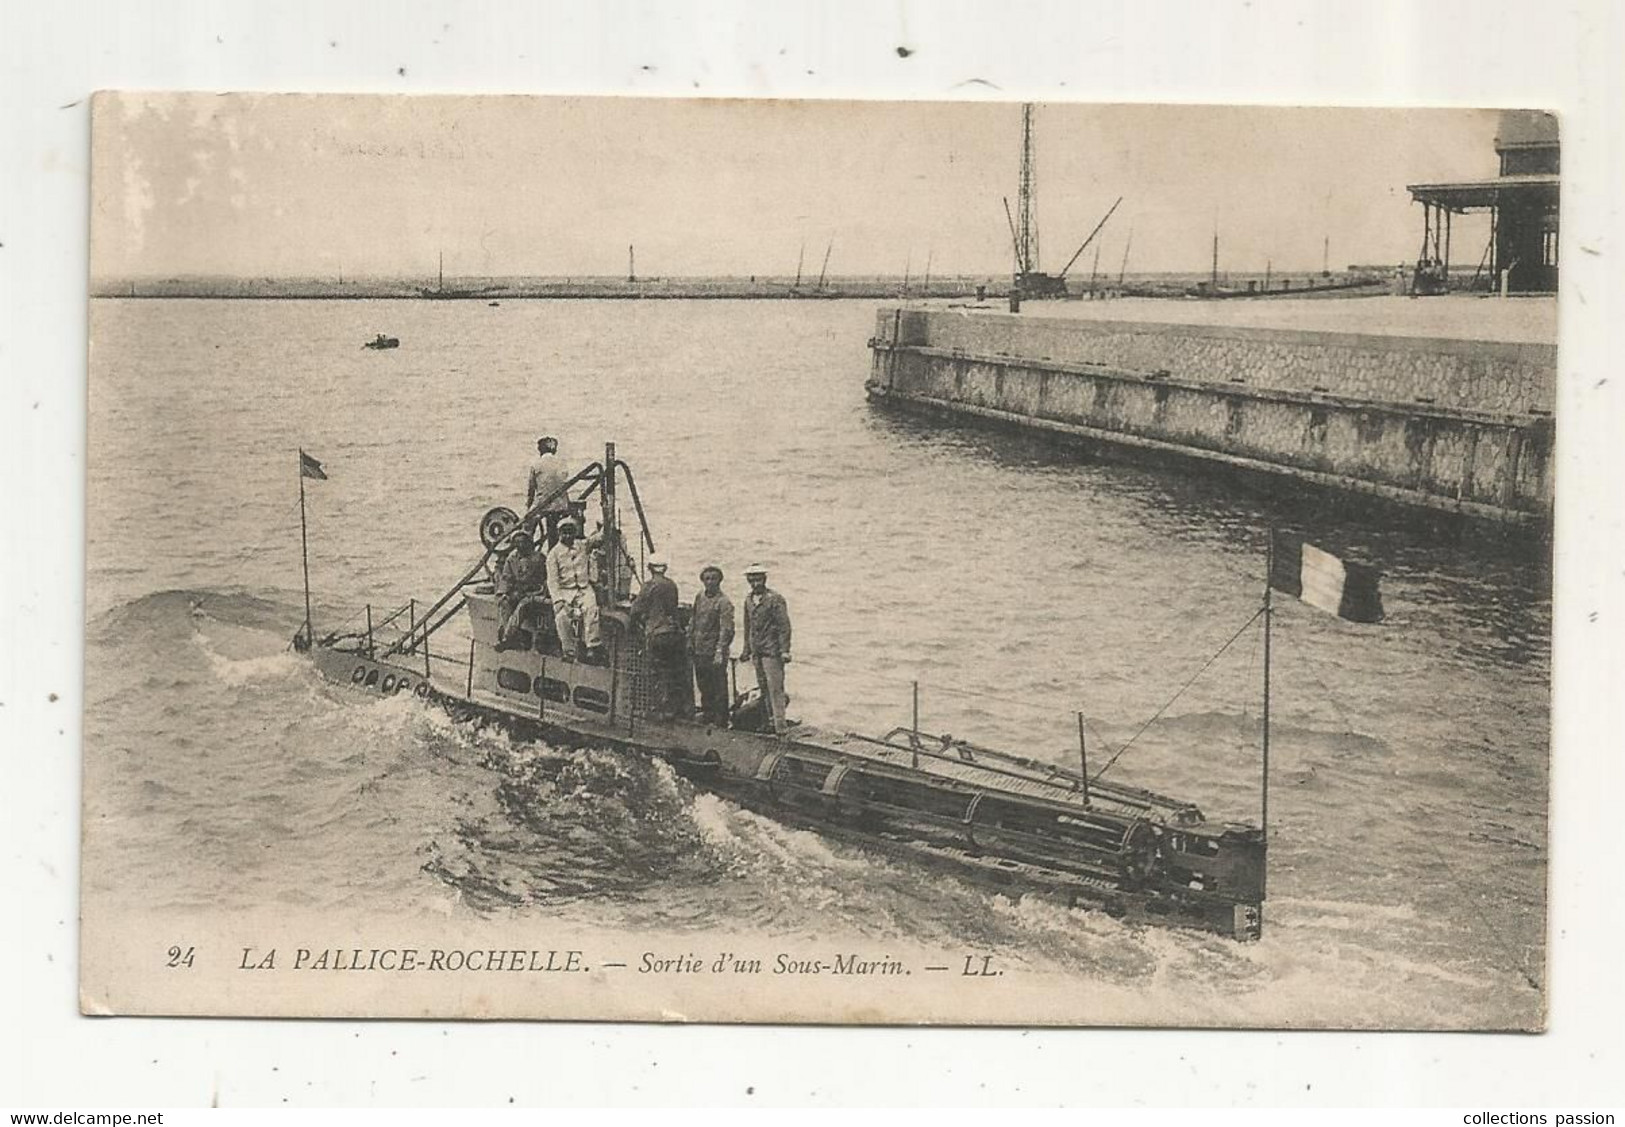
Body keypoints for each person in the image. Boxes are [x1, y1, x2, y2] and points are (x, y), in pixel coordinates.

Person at [628, 553, 685, 719]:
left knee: (655, 671)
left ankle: (657, 709)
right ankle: (672, 709)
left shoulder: (649, 585)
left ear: (650, 568)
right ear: (665, 568)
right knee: (670, 671)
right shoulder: (672, 585)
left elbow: (635, 610)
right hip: (673, 633)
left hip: (657, 634)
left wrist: (633, 625)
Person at [739, 563, 791, 737]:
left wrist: (784, 650)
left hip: (771, 651)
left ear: (764, 579)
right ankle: (769, 722)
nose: (755, 584)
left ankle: (780, 727)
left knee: (775, 688)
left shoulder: (775, 599)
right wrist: (746, 648)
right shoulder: (748, 600)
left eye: (758, 580)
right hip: (757, 651)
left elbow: (784, 626)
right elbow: (748, 626)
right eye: (752, 580)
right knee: (764, 688)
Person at [545, 517, 602, 660]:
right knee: (562, 618)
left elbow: (598, 539)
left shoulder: (582, 545)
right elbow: (553, 581)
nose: (567, 536)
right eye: (564, 533)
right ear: (559, 534)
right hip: (566, 590)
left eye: (570, 532)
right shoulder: (553, 555)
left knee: (591, 609)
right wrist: (558, 600)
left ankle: (592, 645)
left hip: (583, 588)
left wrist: (607, 521)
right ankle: (569, 651)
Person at [689, 565, 735, 726]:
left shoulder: (724, 602)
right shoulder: (700, 597)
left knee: (719, 687)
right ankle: (707, 714)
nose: (710, 582)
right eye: (707, 578)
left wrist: (719, 651)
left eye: (713, 578)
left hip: (714, 651)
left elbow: (726, 629)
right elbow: (693, 620)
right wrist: (690, 642)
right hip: (700, 649)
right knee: (704, 685)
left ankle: (721, 719)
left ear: (719, 580)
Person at [493, 529, 549, 652]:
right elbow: (506, 578)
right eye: (517, 543)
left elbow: (546, 580)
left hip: (534, 593)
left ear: (529, 543)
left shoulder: (539, 558)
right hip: (517, 592)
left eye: (523, 542)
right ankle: (503, 636)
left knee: (523, 605)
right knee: (504, 604)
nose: (520, 546)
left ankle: (509, 637)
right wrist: (504, 593)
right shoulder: (512, 559)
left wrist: (535, 592)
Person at [525, 436, 570, 546]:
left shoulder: (536, 464)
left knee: (527, 523)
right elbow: (564, 483)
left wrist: (528, 506)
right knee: (554, 532)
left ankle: (527, 545)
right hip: (561, 504)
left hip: (543, 503)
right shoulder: (562, 463)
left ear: (540, 450)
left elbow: (531, 489)